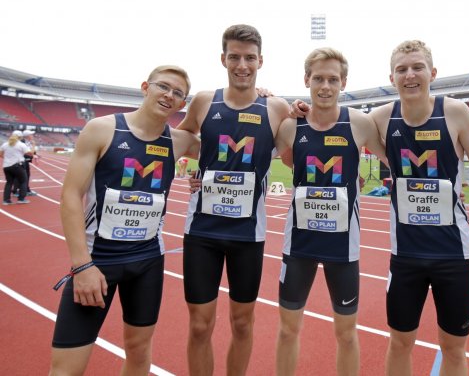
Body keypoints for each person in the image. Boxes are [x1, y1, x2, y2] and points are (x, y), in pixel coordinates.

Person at [367, 40, 469, 375]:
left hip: (453, 254)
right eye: (402, 69)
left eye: (417, 67)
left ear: (432, 73)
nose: (410, 75)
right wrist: (292, 107)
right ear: (392, 77)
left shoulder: (455, 112)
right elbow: (332, 120)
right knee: (400, 342)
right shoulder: (381, 117)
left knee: (454, 349)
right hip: (405, 256)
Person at [49, 65, 200, 376]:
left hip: (147, 262)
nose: (169, 95)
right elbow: (70, 197)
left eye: (178, 93)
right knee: (67, 367)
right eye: (163, 87)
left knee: (139, 350)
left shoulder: (179, 141)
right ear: (145, 87)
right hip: (97, 262)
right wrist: (82, 265)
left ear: (182, 104)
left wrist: (199, 176)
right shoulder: (102, 129)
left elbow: (234, 149)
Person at [176, 24, 292, 376]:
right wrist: (196, 169)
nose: (242, 65)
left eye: (250, 58)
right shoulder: (203, 101)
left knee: (242, 323)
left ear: (261, 61)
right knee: (199, 325)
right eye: (235, 57)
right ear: (223, 58)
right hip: (202, 231)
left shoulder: (276, 108)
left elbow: (298, 148)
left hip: (247, 235)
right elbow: (181, 138)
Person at [273, 47, 387, 376]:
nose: (325, 86)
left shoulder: (359, 124)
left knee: (347, 334)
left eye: (333, 79)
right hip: (299, 246)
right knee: (287, 330)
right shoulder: (290, 127)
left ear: (344, 82)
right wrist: (201, 180)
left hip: (343, 248)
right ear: (306, 80)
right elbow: (255, 163)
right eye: (319, 78)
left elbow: (395, 162)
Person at [1, 130, 32, 205]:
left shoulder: (5, 144)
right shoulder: (21, 144)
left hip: (6, 166)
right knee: (23, 181)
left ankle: (6, 200)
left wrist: (7, 159)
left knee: (9, 182)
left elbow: (0, 154)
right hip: (17, 165)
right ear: (20, 137)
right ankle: (21, 199)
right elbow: (30, 154)